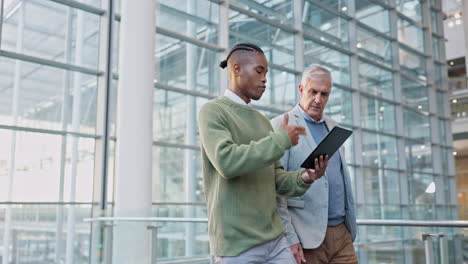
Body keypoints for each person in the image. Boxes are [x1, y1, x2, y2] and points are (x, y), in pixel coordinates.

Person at [198, 43, 329, 263]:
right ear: (236, 69)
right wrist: (280, 140)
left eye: (266, 73)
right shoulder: (213, 110)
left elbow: (276, 180)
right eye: (260, 71)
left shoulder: (262, 122)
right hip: (236, 246)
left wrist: (306, 176)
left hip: (276, 241)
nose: (265, 79)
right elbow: (226, 161)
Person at [270, 65, 358, 264]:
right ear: (301, 89)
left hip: (342, 234)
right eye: (313, 92)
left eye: (324, 94)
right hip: (306, 237)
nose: (318, 99)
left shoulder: (333, 127)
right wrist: (290, 238)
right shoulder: (281, 125)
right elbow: (274, 189)